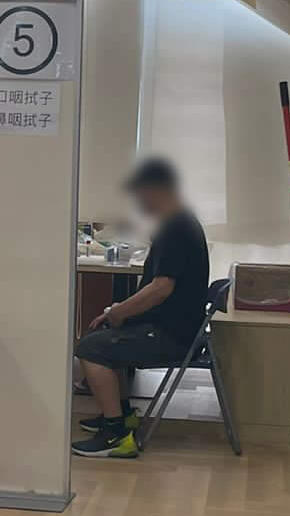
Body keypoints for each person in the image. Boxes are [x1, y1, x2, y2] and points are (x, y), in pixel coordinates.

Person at [70, 157, 210, 459]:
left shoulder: (176, 228)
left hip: (170, 335)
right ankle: (122, 415)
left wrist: (118, 312)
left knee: (89, 348)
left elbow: (161, 289)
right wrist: (118, 314)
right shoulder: (181, 222)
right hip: (176, 328)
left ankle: (116, 435)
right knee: (105, 334)